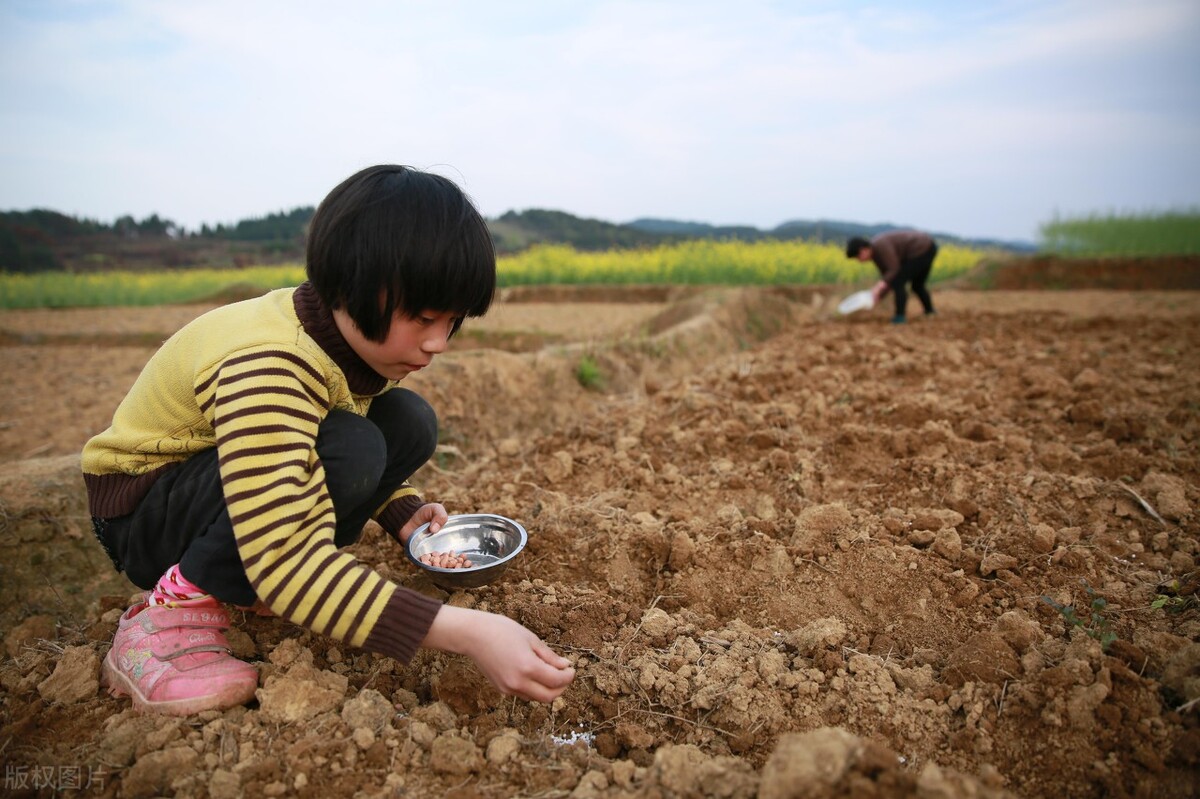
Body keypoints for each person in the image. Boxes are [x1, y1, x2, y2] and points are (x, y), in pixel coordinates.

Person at [82, 164, 576, 716]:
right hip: (142, 510)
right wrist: (470, 632)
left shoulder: (341, 339)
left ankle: (250, 583)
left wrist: (398, 511)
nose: (438, 343)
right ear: (350, 286)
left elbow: (333, 427)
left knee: (406, 421)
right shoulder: (270, 362)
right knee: (351, 447)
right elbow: (283, 555)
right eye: (423, 317)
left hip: (216, 486)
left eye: (453, 322)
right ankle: (168, 614)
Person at [845, 230, 938, 324]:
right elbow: (888, 277)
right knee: (917, 285)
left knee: (898, 282)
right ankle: (930, 311)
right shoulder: (876, 253)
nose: (859, 260)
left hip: (922, 249)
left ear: (863, 250)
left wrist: (878, 288)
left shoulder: (880, 246)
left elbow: (894, 270)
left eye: (858, 256)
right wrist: (877, 296)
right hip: (928, 247)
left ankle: (900, 317)